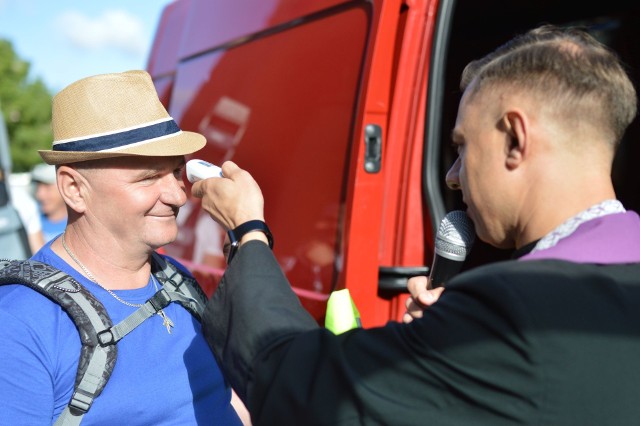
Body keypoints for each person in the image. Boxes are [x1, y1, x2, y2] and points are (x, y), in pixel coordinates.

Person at [192, 25, 640, 425]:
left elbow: (299, 386)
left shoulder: (511, 311)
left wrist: (247, 230)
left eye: (462, 145)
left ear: (515, 138)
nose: (451, 174)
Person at [0, 70, 248, 424]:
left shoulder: (177, 280)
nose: (178, 195)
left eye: (176, 172)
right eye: (148, 177)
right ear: (73, 188)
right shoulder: (18, 324)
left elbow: (223, 400)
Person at [31, 162, 67, 243]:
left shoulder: (80, 222)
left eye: (47, 187)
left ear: (65, 186)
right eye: (37, 188)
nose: (39, 195)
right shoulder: (29, 218)